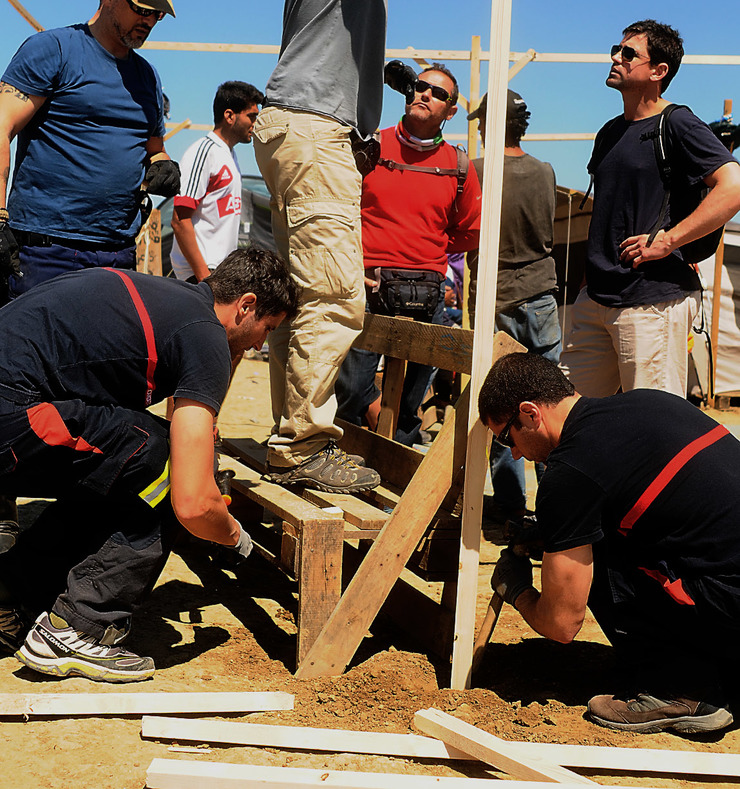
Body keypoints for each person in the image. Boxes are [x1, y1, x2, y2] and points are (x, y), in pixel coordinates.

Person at [253, 0, 532, 491]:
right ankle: (302, 444)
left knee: (301, 296)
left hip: (306, 126)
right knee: (340, 296)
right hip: (310, 128)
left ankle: (290, 435)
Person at [0, 247, 298, 683]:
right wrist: (235, 538)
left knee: (127, 461)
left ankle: (12, 597)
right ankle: (78, 628)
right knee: (167, 468)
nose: (259, 344)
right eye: (266, 329)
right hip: (13, 415)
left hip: (16, 404)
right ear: (246, 305)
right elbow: (194, 501)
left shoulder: (167, 304)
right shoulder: (205, 333)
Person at [480, 352, 740, 736]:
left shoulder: (570, 473)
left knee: (596, 553)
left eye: (507, 437)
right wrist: (549, 534)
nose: (514, 452)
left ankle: (683, 690)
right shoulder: (649, 402)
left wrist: (515, 588)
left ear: (531, 413)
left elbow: (562, 624)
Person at [560, 19, 740, 398]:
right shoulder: (609, 131)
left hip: (652, 302)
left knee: (652, 428)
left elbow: (733, 187)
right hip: (595, 300)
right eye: (616, 49)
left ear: (659, 71)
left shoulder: (678, 123)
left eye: (629, 53)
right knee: (570, 419)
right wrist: (585, 285)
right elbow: (606, 213)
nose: (616, 57)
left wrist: (668, 241)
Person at [0, 0, 181, 299]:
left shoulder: (146, 77)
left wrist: (163, 165)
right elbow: (2, 125)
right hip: (46, 251)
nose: (150, 21)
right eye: (143, 9)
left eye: (158, 14)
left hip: (117, 255)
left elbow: (154, 149)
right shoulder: (54, 49)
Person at [335, 64, 481, 446]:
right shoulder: (370, 146)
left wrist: (427, 249)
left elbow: (472, 229)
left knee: (410, 404)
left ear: (450, 111)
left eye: (437, 93)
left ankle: (396, 480)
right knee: (350, 391)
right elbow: (338, 208)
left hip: (428, 290)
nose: (424, 94)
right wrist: (354, 262)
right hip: (366, 284)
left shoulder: (459, 165)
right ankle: (343, 464)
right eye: (419, 87)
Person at [467, 89, 559, 521]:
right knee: (550, 404)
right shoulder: (544, 171)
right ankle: (557, 508)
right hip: (540, 295)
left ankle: (508, 509)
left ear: (490, 124)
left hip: (495, 298)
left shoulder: (476, 172)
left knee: (503, 405)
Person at [171, 81, 264, 282]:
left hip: (220, 273)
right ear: (229, 116)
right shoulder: (204, 152)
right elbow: (179, 220)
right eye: (251, 116)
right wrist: (204, 278)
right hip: (200, 275)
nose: (255, 124)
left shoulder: (230, 155)